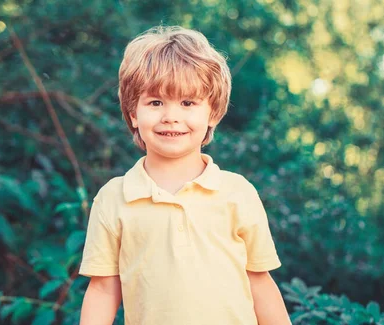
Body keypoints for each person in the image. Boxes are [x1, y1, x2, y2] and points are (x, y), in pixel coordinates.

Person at [79, 25, 291, 325]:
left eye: (188, 103)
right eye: (155, 102)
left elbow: (260, 282)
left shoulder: (237, 192)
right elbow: (102, 290)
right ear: (133, 114)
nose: (171, 116)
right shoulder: (114, 198)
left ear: (213, 113)